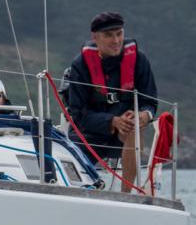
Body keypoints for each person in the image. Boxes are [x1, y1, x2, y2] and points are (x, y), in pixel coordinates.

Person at [64, 11, 158, 193]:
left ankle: (126, 195)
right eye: (108, 35)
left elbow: (150, 103)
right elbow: (78, 115)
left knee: (134, 125)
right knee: (71, 166)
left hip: (124, 136)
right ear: (95, 37)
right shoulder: (80, 65)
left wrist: (143, 115)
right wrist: (112, 121)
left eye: (119, 34)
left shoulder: (139, 60)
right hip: (88, 135)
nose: (116, 41)